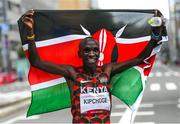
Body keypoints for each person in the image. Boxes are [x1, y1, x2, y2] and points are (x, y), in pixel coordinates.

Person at [22, 10, 164, 123]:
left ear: (99, 53)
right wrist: (30, 34)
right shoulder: (72, 73)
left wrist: (155, 35)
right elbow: (36, 62)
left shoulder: (107, 71)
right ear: (80, 54)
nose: (91, 53)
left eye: (95, 50)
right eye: (87, 50)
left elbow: (139, 58)